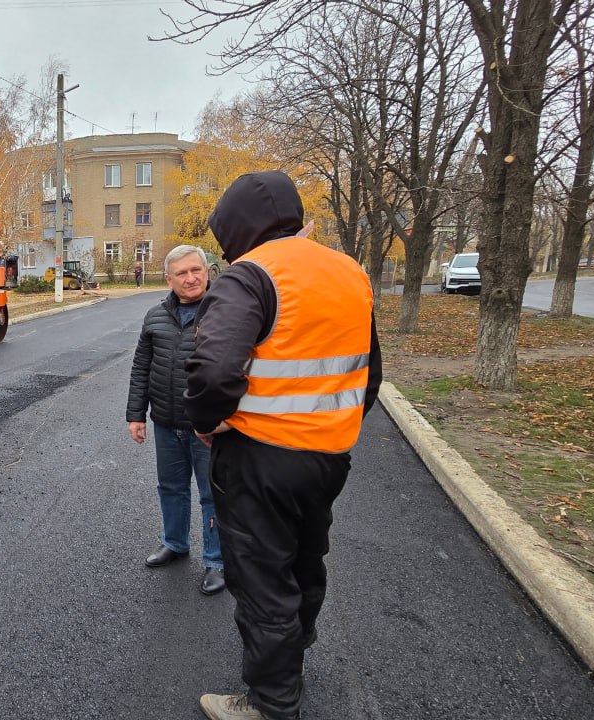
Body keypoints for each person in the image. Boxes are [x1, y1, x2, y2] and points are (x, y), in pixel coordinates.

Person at [184, 170, 382, 720]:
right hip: (329, 457)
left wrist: (206, 422)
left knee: (262, 579)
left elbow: (215, 370)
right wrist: (333, 426)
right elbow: (371, 374)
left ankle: (271, 704)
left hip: (260, 461)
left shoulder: (250, 276)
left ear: (236, 229)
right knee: (305, 561)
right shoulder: (350, 272)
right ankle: (293, 656)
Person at [125, 244, 225, 596]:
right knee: (171, 488)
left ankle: (217, 562)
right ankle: (175, 543)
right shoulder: (155, 316)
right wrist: (136, 415)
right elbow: (141, 368)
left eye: (196, 270)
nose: (191, 278)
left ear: (207, 271)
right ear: (169, 279)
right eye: (181, 273)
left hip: (210, 429)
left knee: (213, 495)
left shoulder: (224, 312)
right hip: (166, 423)